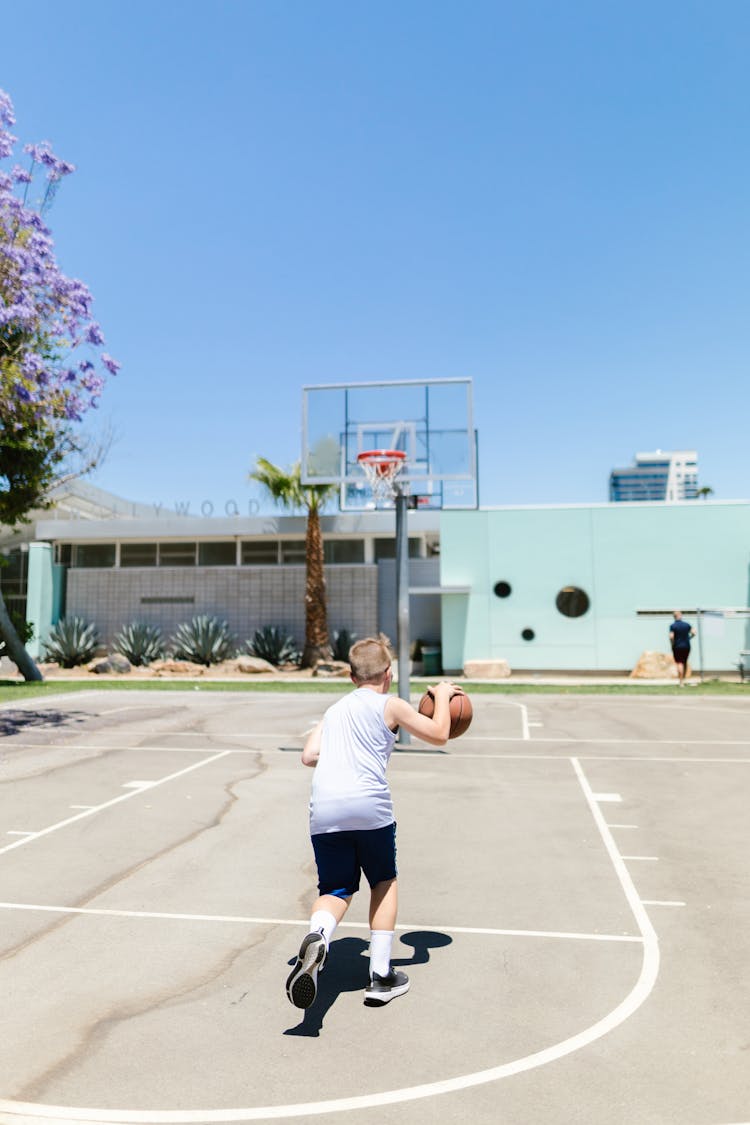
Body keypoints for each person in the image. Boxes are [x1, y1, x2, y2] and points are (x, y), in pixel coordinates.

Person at [285, 636, 458, 1009]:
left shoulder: (333, 711)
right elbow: (440, 733)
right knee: (383, 881)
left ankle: (318, 935)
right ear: (389, 674)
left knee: (335, 888)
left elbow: (309, 755)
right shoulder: (391, 705)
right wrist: (442, 695)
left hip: (326, 808)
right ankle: (381, 977)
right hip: (369, 807)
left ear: (350, 676)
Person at [669, 611, 695, 685]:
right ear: (681, 616)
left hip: (677, 646)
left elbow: (671, 637)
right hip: (686, 646)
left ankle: (681, 682)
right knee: (685, 662)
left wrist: (672, 644)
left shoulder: (673, 626)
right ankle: (684, 679)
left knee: (679, 663)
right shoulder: (687, 625)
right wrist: (689, 638)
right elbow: (694, 632)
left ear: (674, 617)